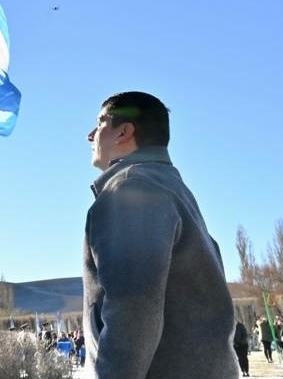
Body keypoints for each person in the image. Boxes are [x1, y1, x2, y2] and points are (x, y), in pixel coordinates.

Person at [81, 92, 237, 378]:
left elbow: (133, 307)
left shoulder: (129, 188)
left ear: (125, 132)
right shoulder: (173, 189)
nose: (90, 135)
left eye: (101, 123)